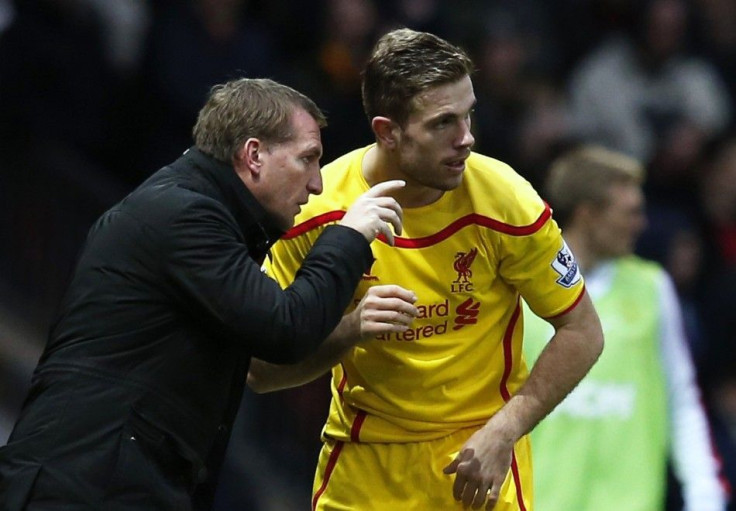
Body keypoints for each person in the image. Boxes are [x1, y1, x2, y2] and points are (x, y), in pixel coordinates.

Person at [0, 77, 415, 511]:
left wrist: (349, 326)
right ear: (253, 155)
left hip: (104, 479)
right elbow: (284, 327)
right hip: (85, 486)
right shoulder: (183, 214)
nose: (315, 184)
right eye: (307, 160)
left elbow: (268, 355)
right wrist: (348, 236)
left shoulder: (198, 211)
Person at [247, 28, 604, 510]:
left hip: (480, 463)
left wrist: (505, 430)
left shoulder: (506, 200)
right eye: (443, 124)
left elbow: (583, 331)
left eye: (468, 114)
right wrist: (350, 329)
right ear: (387, 132)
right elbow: (262, 372)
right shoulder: (315, 211)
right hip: (364, 469)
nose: (466, 138)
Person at [522, 145, 730, 511]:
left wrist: (705, 493)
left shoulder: (652, 286)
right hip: (540, 500)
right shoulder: (522, 289)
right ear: (588, 214)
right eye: (630, 212)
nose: (641, 224)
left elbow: (680, 398)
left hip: (631, 502)